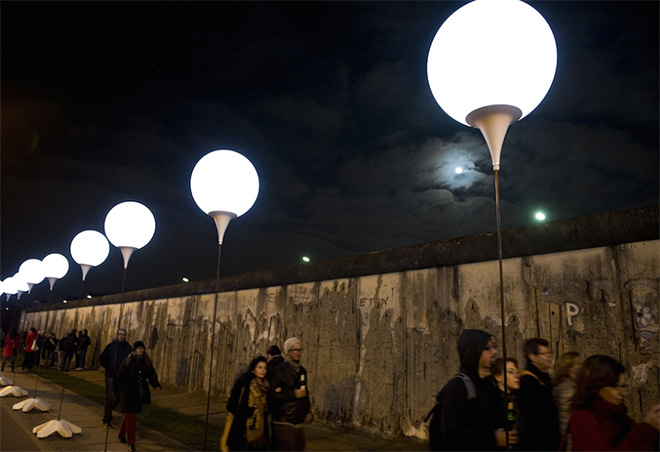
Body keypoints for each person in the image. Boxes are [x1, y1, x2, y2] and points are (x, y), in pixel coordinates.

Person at [431, 329, 515, 451]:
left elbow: (504, 412)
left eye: (494, 347)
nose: (495, 352)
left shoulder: (490, 383)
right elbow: (452, 434)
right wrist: (493, 439)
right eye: (487, 348)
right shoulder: (458, 387)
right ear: (473, 352)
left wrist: (511, 421)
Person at [569, 355, 659, 451]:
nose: (623, 393)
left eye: (623, 386)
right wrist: (647, 429)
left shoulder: (615, 413)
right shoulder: (582, 418)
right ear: (596, 387)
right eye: (615, 386)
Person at [117, 341, 162, 452]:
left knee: (130, 414)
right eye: (138, 348)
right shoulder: (128, 362)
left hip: (138, 392)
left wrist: (155, 384)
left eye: (142, 348)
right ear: (134, 350)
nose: (140, 350)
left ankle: (121, 434)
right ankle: (131, 443)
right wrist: (123, 389)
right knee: (131, 416)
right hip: (128, 393)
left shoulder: (146, 361)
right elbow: (120, 377)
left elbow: (151, 373)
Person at [517, 337, 560, 451]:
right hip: (538, 443)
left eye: (550, 353)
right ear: (533, 357)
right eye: (545, 354)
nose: (550, 356)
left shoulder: (544, 378)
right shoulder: (528, 382)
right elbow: (536, 417)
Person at [268, 337, 310, 452]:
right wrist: (293, 394)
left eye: (300, 350)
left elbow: (305, 393)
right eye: (295, 350)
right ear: (287, 352)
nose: (298, 353)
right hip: (284, 420)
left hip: (299, 419)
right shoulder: (278, 371)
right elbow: (272, 396)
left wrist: (306, 409)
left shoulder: (302, 371)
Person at [221, 356, 270, 451]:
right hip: (242, 430)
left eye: (265, 368)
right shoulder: (244, 384)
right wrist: (249, 412)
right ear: (253, 369)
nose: (263, 370)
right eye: (260, 367)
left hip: (260, 432)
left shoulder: (266, 386)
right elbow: (231, 406)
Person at [100, 328, 133, 428]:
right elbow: (102, 358)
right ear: (117, 335)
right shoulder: (111, 346)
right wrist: (109, 368)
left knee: (119, 397)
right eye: (120, 334)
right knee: (109, 398)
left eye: (123, 334)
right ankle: (107, 419)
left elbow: (130, 361)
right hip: (110, 375)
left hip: (121, 377)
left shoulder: (128, 348)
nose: (121, 336)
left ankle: (109, 411)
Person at [491, 357, 521, 450]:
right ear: (498, 377)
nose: (517, 375)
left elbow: (511, 416)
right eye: (511, 372)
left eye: (517, 371)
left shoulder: (513, 399)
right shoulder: (494, 401)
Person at [553, 351, 581, 448]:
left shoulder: (572, 385)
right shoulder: (566, 390)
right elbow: (566, 421)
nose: (580, 366)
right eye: (577, 363)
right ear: (569, 367)